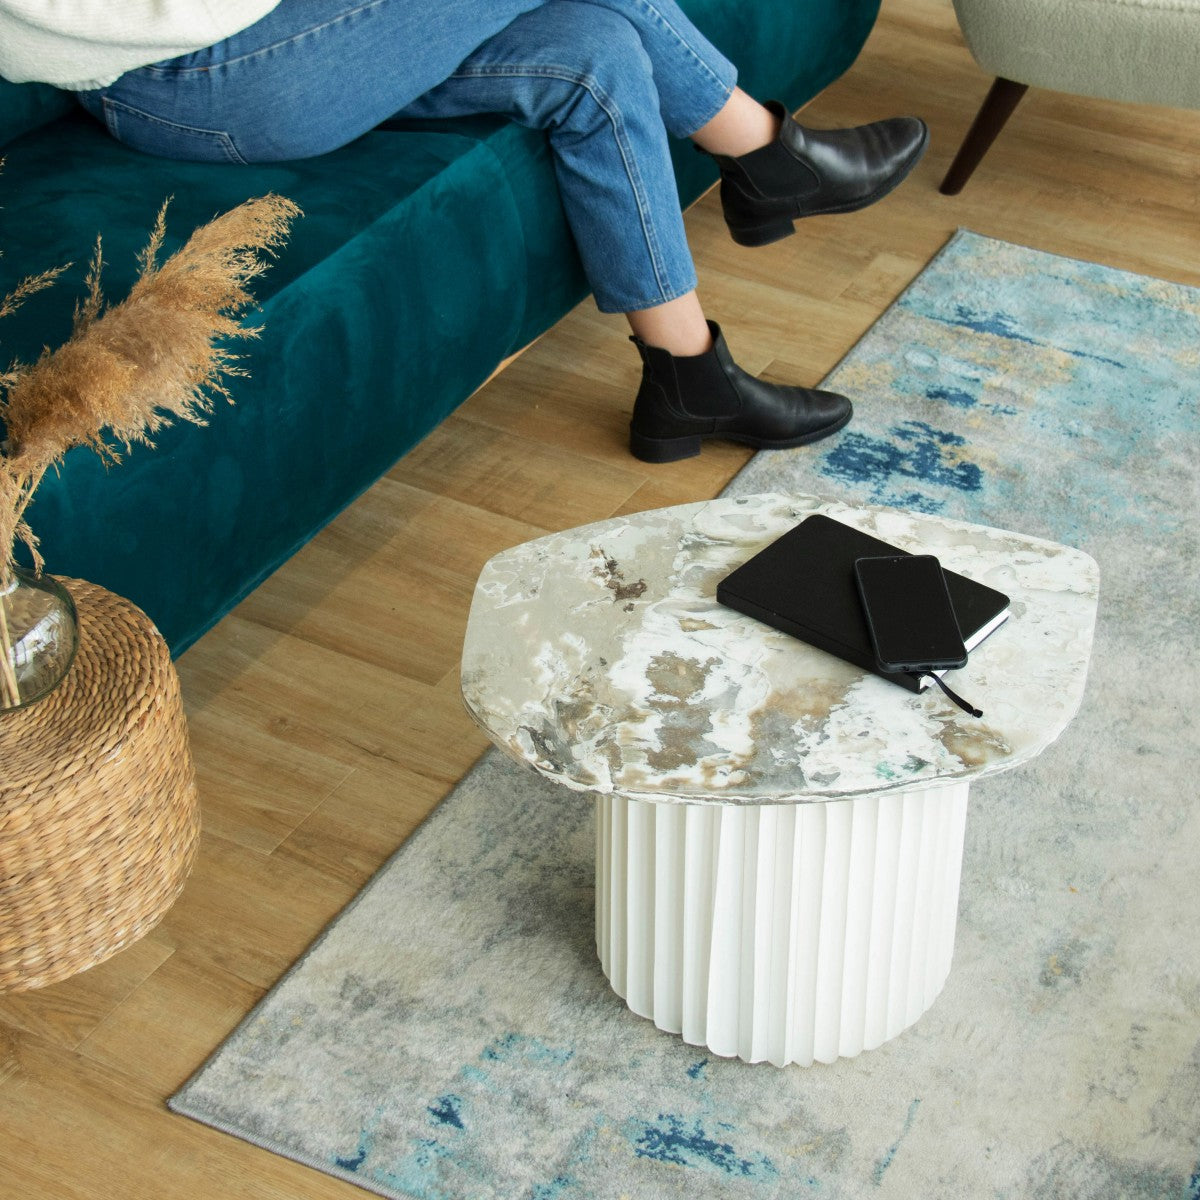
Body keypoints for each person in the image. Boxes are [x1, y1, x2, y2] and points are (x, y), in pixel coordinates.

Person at [0, 0, 928, 463]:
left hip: (287, 31)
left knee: (595, 54)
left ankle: (688, 380)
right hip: (187, 75)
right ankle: (768, 159)